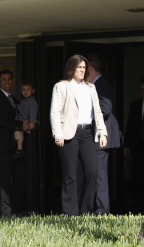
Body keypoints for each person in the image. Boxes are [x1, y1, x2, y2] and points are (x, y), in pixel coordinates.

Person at [50, 54, 107, 216]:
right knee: (71, 174)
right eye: (79, 67)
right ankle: (70, 213)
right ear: (71, 69)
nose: (82, 70)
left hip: (87, 133)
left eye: (84, 68)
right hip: (69, 134)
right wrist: (57, 133)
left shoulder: (91, 88)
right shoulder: (61, 87)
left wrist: (102, 132)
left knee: (92, 172)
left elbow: (98, 111)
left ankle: (85, 211)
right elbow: (55, 112)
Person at [0, 70, 29, 218]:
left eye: (9, 79)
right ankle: (6, 212)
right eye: (4, 80)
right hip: (3, 146)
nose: (7, 82)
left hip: (18, 147)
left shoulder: (17, 101)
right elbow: (1, 120)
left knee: (19, 179)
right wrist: (20, 126)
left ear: (12, 81)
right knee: (4, 181)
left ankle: (16, 210)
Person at [87, 58, 120, 215]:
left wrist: (86, 116)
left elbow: (105, 109)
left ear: (91, 69)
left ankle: (102, 210)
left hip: (102, 135)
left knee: (99, 173)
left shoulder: (101, 85)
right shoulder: (99, 84)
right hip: (101, 135)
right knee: (97, 172)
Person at [123, 76, 144, 214]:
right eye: (142, 90)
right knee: (137, 177)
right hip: (138, 147)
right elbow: (130, 125)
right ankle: (137, 208)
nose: (143, 93)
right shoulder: (135, 105)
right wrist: (127, 145)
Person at [13, 80, 38, 159]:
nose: (25, 91)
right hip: (21, 120)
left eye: (28, 89)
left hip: (25, 121)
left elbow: (33, 111)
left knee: (17, 129)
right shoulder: (24, 101)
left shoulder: (32, 101)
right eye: (23, 89)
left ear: (33, 91)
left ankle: (19, 148)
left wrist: (33, 121)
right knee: (17, 130)